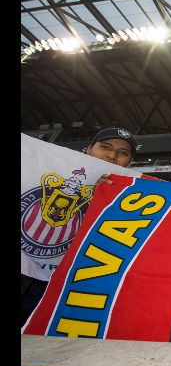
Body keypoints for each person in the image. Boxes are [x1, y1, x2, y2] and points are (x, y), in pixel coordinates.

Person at [21, 127, 139, 327]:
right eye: (106, 147)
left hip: (64, 280)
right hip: (26, 264)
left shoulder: (133, 197)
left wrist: (106, 199)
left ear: (130, 161)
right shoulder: (52, 168)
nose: (112, 156)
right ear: (89, 149)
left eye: (123, 153)